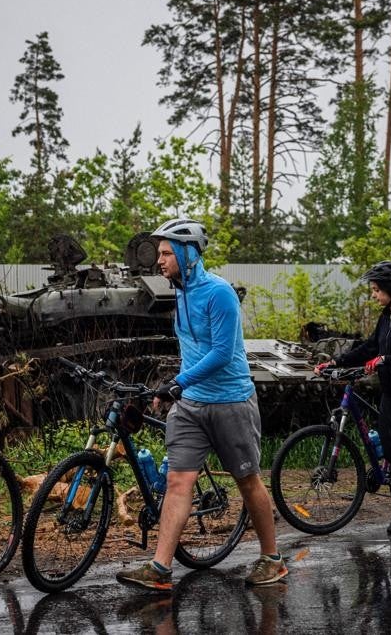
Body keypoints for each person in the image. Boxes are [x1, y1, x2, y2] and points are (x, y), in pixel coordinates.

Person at [116, 218, 287, 591]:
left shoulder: (219, 293)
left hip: (230, 402)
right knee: (178, 481)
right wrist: (169, 390)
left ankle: (272, 558)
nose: (159, 261)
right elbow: (191, 352)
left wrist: (177, 383)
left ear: (188, 254)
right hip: (192, 404)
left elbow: (222, 353)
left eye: (166, 253)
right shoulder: (179, 294)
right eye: (159, 253)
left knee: (247, 480)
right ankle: (160, 569)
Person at [315, 261, 391, 534]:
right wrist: (336, 362)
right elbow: (370, 347)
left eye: (375, 289)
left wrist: (386, 359)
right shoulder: (386, 317)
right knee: (389, 448)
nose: (373, 294)